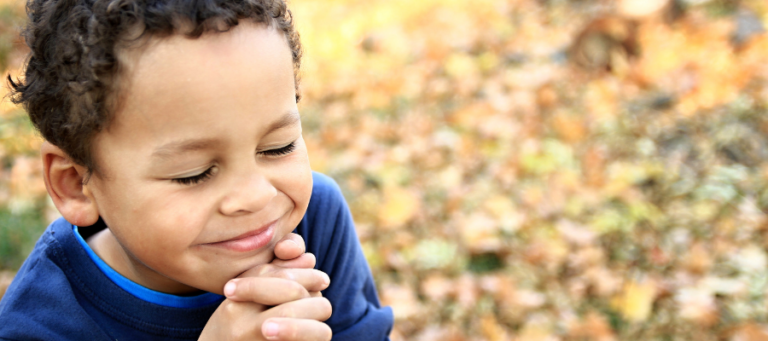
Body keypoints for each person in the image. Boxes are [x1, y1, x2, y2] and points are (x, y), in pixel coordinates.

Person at [0, 0, 393, 340]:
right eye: (194, 173)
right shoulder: (39, 327)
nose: (256, 196)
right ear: (75, 185)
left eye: (278, 147)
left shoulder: (316, 223)